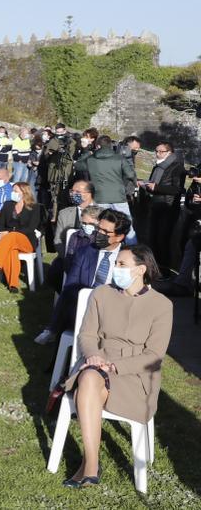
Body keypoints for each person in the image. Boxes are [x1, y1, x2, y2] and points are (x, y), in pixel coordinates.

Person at [60, 245, 171, 489]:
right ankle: (91, 464)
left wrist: (114, 366)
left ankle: (88, 467)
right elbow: (87, 335)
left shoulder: (161, 305)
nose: (115, 268)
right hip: (96, 363)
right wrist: (95, 357)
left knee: (87, 386)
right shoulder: (101, 293)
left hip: (134, 375)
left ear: (140, 270)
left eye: (122, 264)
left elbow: (154, 356)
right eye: (116, 263)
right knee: (89, 378)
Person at [35, 209, 130, 344]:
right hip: (85, 308)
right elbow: (70, 288)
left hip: (115, 313)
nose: (99, 234)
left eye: (106, 232)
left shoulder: (130, 258)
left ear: (120, 237)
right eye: (99, 229)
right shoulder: (84, 253)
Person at [138, 141, 185, 269]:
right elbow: (153, 185)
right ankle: (154, 267)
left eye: (161, 151)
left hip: (167, 207)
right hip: (155, 206)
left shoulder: (177, 167)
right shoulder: (157, 166)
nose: (158, 154)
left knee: (163, 240)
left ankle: (165, 270)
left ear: (169, 153)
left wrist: (157, 187)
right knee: (152, 238)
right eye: (156, 151)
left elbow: (177, 189)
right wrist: (144, 185)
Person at [0, 181, 40, 292]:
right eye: (13, 191)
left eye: (15, 191)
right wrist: (6, 233)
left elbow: (30, 229)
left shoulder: (34, 207)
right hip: (9, 241)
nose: (13, 193)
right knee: (12, 251)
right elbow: (0, 226)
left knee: (12, 236)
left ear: (24, 192)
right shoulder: (8, 205)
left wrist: (10, 232)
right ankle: (13, 284)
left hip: (26, 241)